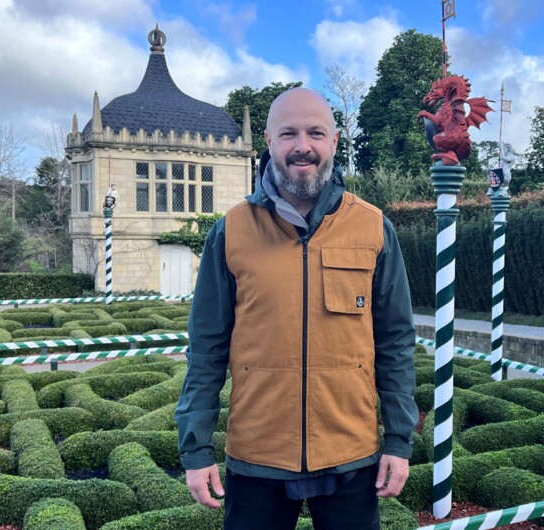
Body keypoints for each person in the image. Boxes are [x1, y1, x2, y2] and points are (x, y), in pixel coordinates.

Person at [175, 87, 418, 530]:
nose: (302, 146)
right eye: (288, 133)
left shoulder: (373, 227)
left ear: (334, 142)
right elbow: (206, 347)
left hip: (351, 455)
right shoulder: (231, 231)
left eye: (315, 133)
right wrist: (195, 450)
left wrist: (399, 441)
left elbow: (396, 342)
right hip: (256, 459)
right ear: (269, 142)